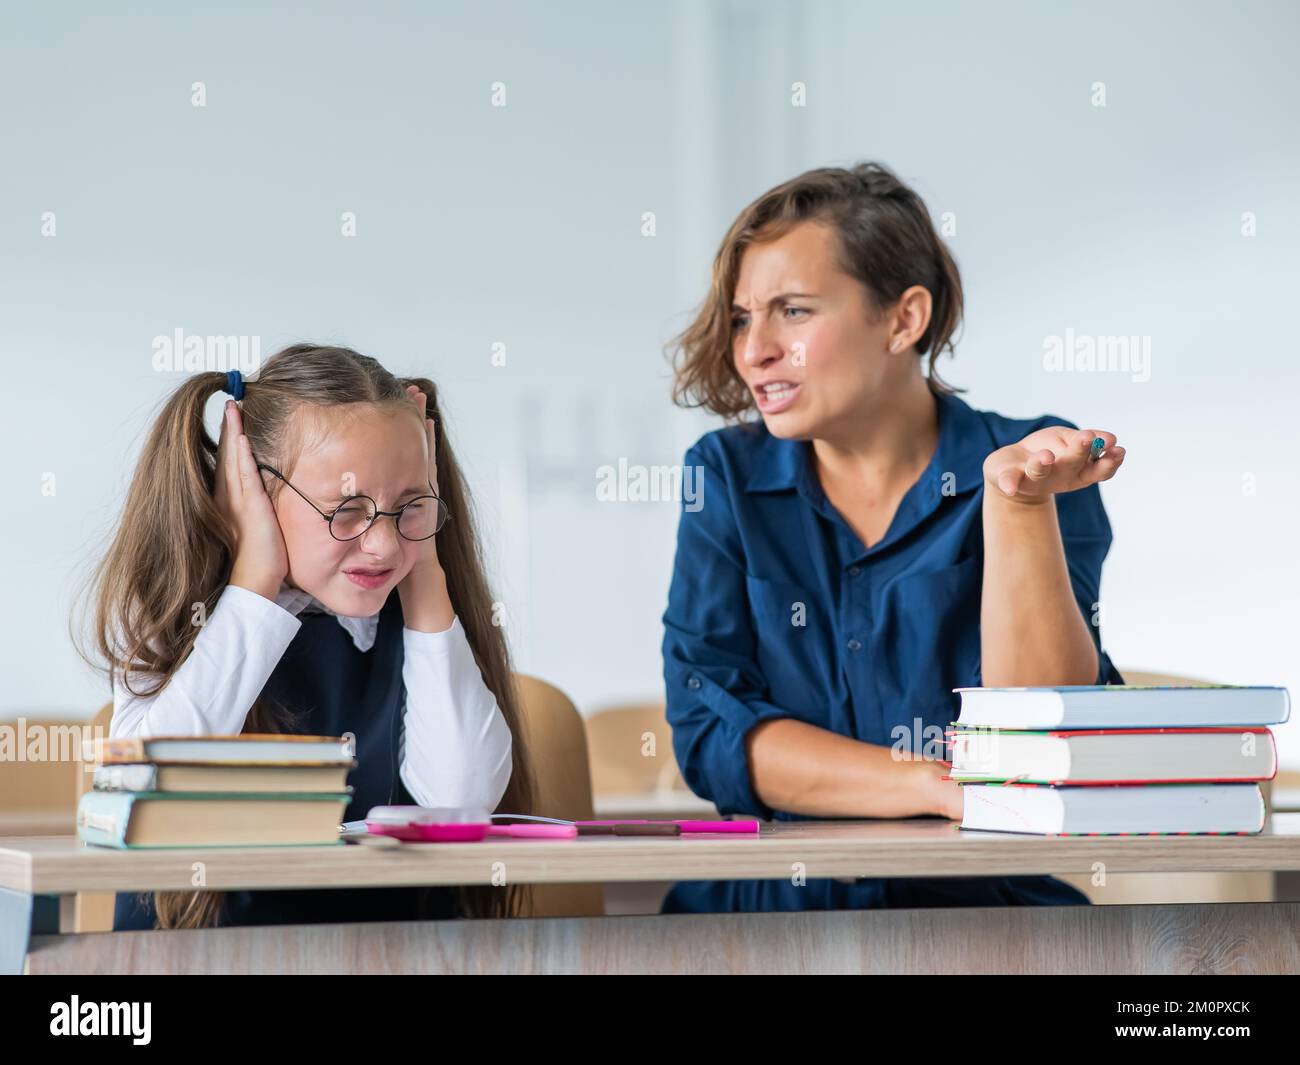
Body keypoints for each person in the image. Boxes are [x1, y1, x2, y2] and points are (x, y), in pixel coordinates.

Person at [661, 162, 1127, 913]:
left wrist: (1016, 508)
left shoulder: (1037, 466)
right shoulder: (723, 476)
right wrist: (927, 783)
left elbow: (1043, 736)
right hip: (762, 919)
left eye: (794, 311)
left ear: (904, 319)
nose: (754, 350)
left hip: (985, 914)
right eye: (746, 317)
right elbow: (713, 729)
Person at [80, 343, 534, 929]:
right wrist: (253, 581)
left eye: (411, 505)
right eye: (345, 510)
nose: (384, 544)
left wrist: (425, 576)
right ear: (255, 492)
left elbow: (462, 797)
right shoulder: (172, 606)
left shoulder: (418, 600)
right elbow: (153, 790)